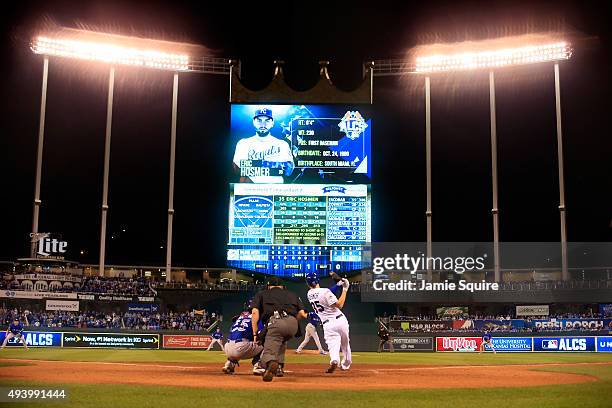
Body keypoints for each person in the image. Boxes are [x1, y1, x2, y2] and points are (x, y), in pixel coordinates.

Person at [251, 276, 307, 382]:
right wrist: (293, 322)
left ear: (268, 286)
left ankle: (271, 363)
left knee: (270, 349)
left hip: (275, 321)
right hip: (292, 323)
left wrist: (255, 333)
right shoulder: (292, 294)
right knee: (281, 341)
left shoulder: (262, 294)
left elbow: (254, 313)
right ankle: (280, 367)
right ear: (282, 286)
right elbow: (302, 314)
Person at [232, 108, 294, 184]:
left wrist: (255, 165)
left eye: (267, 121)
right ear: (253, 122)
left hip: (276, 190)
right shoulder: (243, 143)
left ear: (272, 123)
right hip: (250, 190)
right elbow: (237, 170)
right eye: (259, 120)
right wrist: (273, 165)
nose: (263, 124)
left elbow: (288, 170)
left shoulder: (282, 144)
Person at [306, 272, 351, 373]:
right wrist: (344, 289)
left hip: (328, 324)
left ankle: (334, 360)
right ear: (318, 280)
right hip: (340, 320)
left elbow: (324, 293)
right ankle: (346, 364)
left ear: (308, 284)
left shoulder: (309, 294)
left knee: (332, 345)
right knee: (345, 344)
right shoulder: (325, 292)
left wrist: (338, 284)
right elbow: (339, 305)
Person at [222, 300, 265, 375]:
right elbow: (260, 335)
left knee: (242, 342)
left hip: (227, 347)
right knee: (267, 342)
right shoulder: (257, 317)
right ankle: (258, 366)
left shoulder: (240, 317)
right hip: (241, 347)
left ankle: (229, 364)